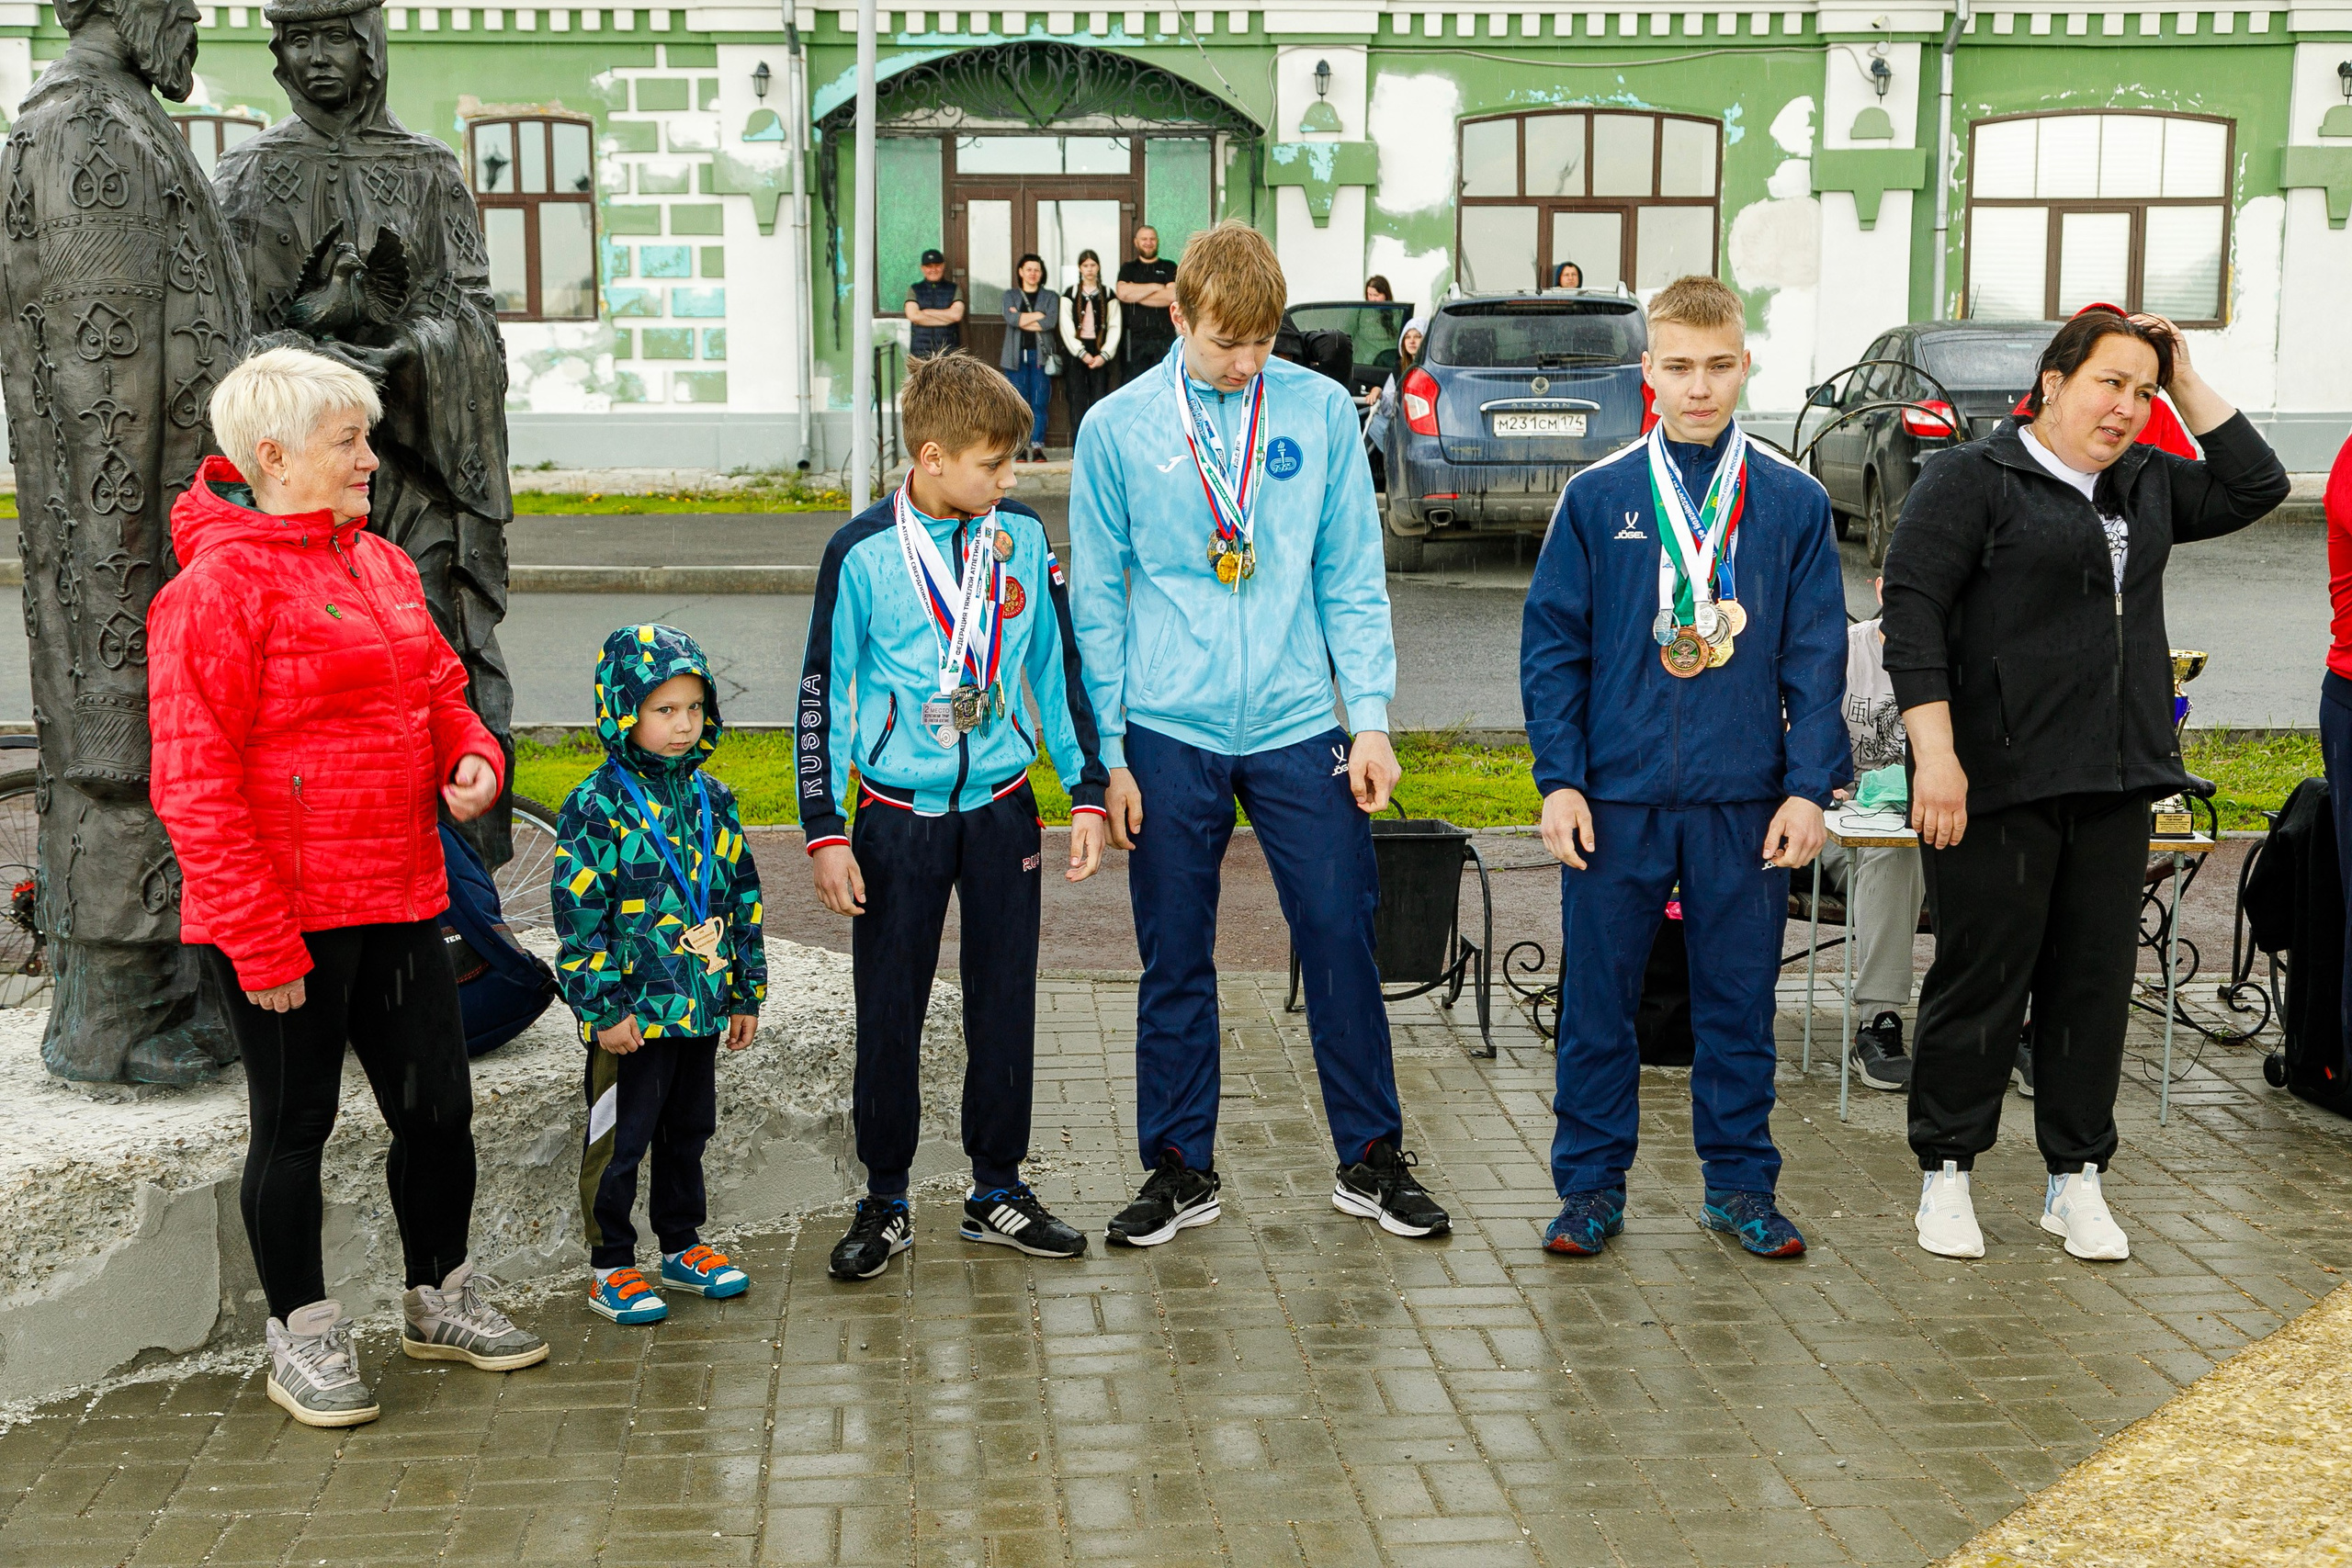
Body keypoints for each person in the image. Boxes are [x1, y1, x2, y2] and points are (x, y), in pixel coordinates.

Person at [148, 346, 547, 1430]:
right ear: (272, 458)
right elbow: (193, 782)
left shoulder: (375, 565)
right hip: (282, 921)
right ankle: (304, 1338)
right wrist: (261, 944)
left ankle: (439, 1297)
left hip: (403, 893)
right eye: (351, 440)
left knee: (439, 1110)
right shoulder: (214, 590)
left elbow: (438, 688)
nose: (372, 457)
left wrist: (470, 755)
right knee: (295, 1126)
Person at [1069, 220, 1451, 1247]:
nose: (1244, 366)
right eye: (1224, 344)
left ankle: (1370, 1158)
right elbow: (1098, 601)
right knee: (1175, 952)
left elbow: (1349, 578)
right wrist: (1108, 754)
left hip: (1295, 722)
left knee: (1338, 929)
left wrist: (1366, 719)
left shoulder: (1321, 411)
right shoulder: (1118, 429)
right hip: (1165, 727)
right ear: (1178, 317)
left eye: (1262, 344)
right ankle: (1179, 1167)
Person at [1883, 309, 2288, 1263]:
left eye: (2142, 393)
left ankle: (2075, 1179)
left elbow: (2256, 484)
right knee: (1983, 977)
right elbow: (1912, 616)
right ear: (2055, 381)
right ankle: (1946, 1174)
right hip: (1995, 778)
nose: (2126, 408)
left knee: (2093, 985)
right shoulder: (1971, 481)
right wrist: (1934, 757)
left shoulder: (2147, 484)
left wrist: (2184, 377)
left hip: (2113, 777)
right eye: (2111, 383)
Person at [1521, 275, 1849, 1262]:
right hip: (1615, 798)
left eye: (1717, 367)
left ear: (1745, 365)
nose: (1698, 387)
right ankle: (1588, 1190)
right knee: (1596, 1007)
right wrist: (1560, 778)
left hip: (1742, 802)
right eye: (1677, 367)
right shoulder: (1598, 495)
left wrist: (1806, 785)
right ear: (1646, 373)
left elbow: (1817, 656)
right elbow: (1553, 648)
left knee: (1738, 1006)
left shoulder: (1792, 501)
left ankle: (1740, 1187)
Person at [798, 350, 1112, 1281]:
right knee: (887, 1010)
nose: (1008, 479)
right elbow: (827, 692)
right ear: (931, 457)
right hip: (896, 816)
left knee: (1004, 1002)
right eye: (992, 463)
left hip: (1003, 812)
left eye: (1012, 463)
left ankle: (995, 1190)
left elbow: (1058, 670)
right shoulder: (858, 553)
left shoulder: (1017, 535)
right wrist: (822, 827)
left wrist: (1084, 788)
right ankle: (885, 1198)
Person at [0, 0, 253, 1086]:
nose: (193, 20)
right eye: (182, 5)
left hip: (174, 518)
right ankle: (120, 1015)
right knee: (130, 748)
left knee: (184, 747)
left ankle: (168, 994)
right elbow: (94, 377)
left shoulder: (126, 115)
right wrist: (128, 561)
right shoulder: (83, 130)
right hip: (128, 531)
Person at [216, 0, 517, 869]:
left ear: (372, 46)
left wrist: (407, 350)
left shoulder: (429, 172)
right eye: (299, 40)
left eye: (335, 38)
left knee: (434, 659)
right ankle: (322, 875)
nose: (317, 59)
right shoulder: (245, 177)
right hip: (297, 485)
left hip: (413, 475)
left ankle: (456, 895)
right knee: (305, 689)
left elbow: (473, 316)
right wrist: (310, 366)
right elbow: (231, 335)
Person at [552, 624, 765, 1325]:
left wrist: (744, 990)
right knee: (621, 1139)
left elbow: (741, 900)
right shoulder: (596, 805)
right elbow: (579, 914)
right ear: (622, 711)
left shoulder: (714, 799)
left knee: (689, 1130)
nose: (682, 726)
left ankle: (681, 1242)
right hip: (632, 1021)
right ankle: (611, 1261)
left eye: (694, 709)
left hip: (700, 1005)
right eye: (663, 710)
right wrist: (600, 1006)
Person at [1815, 577, 1928, 1093]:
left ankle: (2009, 1025)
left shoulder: (1965, 656)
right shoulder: (1846, 653)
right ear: (1881, 589)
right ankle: (1878, 1023)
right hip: (1843, 823)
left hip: (1934, 819)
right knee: (1893, 852)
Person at [1057, 248, 1123, 435]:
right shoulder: (1069, 293)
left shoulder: (1108, 293)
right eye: (1085, 265)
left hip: (1100, 349)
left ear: (1099, 267)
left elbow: (1115, 326)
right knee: (1077, 398)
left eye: (1093, 265)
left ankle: (1097, 442)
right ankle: (1078, 444)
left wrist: (1105, 354)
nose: (1089, 269)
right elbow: (1066, 326)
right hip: (1076, 353)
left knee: (1099, 399)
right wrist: (1081, 353)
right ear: (1079, 268)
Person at [1001, 254, 1054, 462]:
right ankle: (1020, 448)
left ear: (1041, 274)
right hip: (1015, 357)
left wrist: (1021, 318)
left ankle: (1038, 447)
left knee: (1039, 403)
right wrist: (1038, 316)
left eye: (1037, 270)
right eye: (1029, 269)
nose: (1033, 273)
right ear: (1021, 272)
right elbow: (1010, 319)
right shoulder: (1010, 295)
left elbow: (1050, 322)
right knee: (1018, 404)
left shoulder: (1051, 297)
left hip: (1040, 357)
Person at [1115, 224, 1179, 373]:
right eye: (1144, 239)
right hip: (1134, 341)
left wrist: (1135, 295)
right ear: (1136, 242)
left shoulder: (1169, 267)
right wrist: (1157, 287)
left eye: (1152, 239)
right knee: (1135, 386)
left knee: (1164, 382)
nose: (1148, 242)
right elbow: (1123, 293)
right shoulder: (1128, 268)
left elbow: (1172, 296)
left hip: (1164, 338)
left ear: (1157, 241)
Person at [905, 247, 966, 359]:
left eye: (937, 265)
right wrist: (946, 318)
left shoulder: (954, 289)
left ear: (943, 266)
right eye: (929, 266)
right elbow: (913, 316)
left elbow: (956, 315)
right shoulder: (914, 289)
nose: (933, 269)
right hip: (920, 353)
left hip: (948, 353)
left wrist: (926, 312)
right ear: (922, 268)